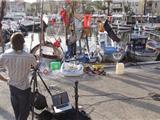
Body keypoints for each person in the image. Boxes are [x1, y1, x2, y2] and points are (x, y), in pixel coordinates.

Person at [0, 32, 37, 120]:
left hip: (12, 87)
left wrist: (5, 79)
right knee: (24, 113)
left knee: (17, 112)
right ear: (23, 43)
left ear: (11, 43)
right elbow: (37, 67)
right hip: (24, 88)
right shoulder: (29, 57)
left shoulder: (5, 55)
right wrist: (37, 60)